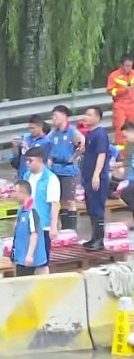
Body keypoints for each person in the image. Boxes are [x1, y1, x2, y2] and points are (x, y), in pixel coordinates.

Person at [22, 147, 60, 275]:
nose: (27, 163)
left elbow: (54, 204)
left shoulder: (50, 178)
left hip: (43, 225)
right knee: (27, 258)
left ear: (40, 161)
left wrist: (53, 226)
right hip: (28, 224)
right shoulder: (26, 176)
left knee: (42, 260)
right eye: (26, 160)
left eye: (30, 161)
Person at [48, 105, 84, 230]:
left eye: (56, 116)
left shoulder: (72, 131)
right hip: (56, 169)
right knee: (60, 200)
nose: (54, 119)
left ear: (64, 116)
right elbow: (48, 147)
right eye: (52, 116)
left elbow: (82, 143)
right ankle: (64, 228)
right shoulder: (54, 132)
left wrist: (75, 156)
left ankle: (72, 228)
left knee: (70, 200)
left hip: (68, 170)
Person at [81, 107, 110, 251]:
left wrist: (96, 174)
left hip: (96, 177)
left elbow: (101, 154)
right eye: (85, 114)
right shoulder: (89, 134)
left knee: (97, 207)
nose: (85, 117)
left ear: (98, 117)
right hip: (88, 176)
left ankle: (100, 240)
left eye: (89, 115)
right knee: (91, 207)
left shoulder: (100, 134)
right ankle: (93, 238)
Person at [10, 180, 47, 277]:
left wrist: (29, 255)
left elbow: (34, 234)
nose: (14, 195)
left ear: (23, 193)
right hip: (20, 255)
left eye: (15, 192)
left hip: (27, 258)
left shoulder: (32, 210)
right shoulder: (22, 209)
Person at [11, 115, 52, 180]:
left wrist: (26, 147)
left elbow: (40, 158)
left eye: (33, 128)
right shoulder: (26, 137)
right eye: (29, 128)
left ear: (40, 127)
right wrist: (14, 146)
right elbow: (16, 155)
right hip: (23, 173)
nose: (31, 130)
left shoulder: (46, 142)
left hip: (36, 175)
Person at [107, 55, 134, 156]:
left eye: (130, 66)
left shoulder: (133, 74)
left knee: (132, 128)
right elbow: (110, 91)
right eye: (127, 66)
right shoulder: (114, 76)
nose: (129, 68)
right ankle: (120, 155)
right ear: (121, 65)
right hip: (120, 105)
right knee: (120, 129)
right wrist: (123, 90)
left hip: (132, 104)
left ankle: (131, 152)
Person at [116, 122, 134, 218]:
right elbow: (127, 161)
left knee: (126, 193)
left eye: (125, 136)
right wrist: (115, 165)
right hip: (131, 179)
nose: (125, 140)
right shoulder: (130, 146)